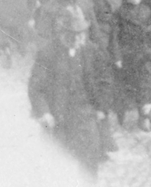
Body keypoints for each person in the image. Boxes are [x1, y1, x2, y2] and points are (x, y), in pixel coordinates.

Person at [28, 10, 113, 177]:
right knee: (57, 163)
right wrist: (44, 112)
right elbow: (35, 88)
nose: (76, 39)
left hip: (86, 112)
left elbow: (106, 81)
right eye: (71, 34)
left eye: (80, 34)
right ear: (61, 32)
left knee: (90, 158)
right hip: (57, 115)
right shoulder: (47, 53)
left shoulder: (92, 51)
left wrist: (102, 108)